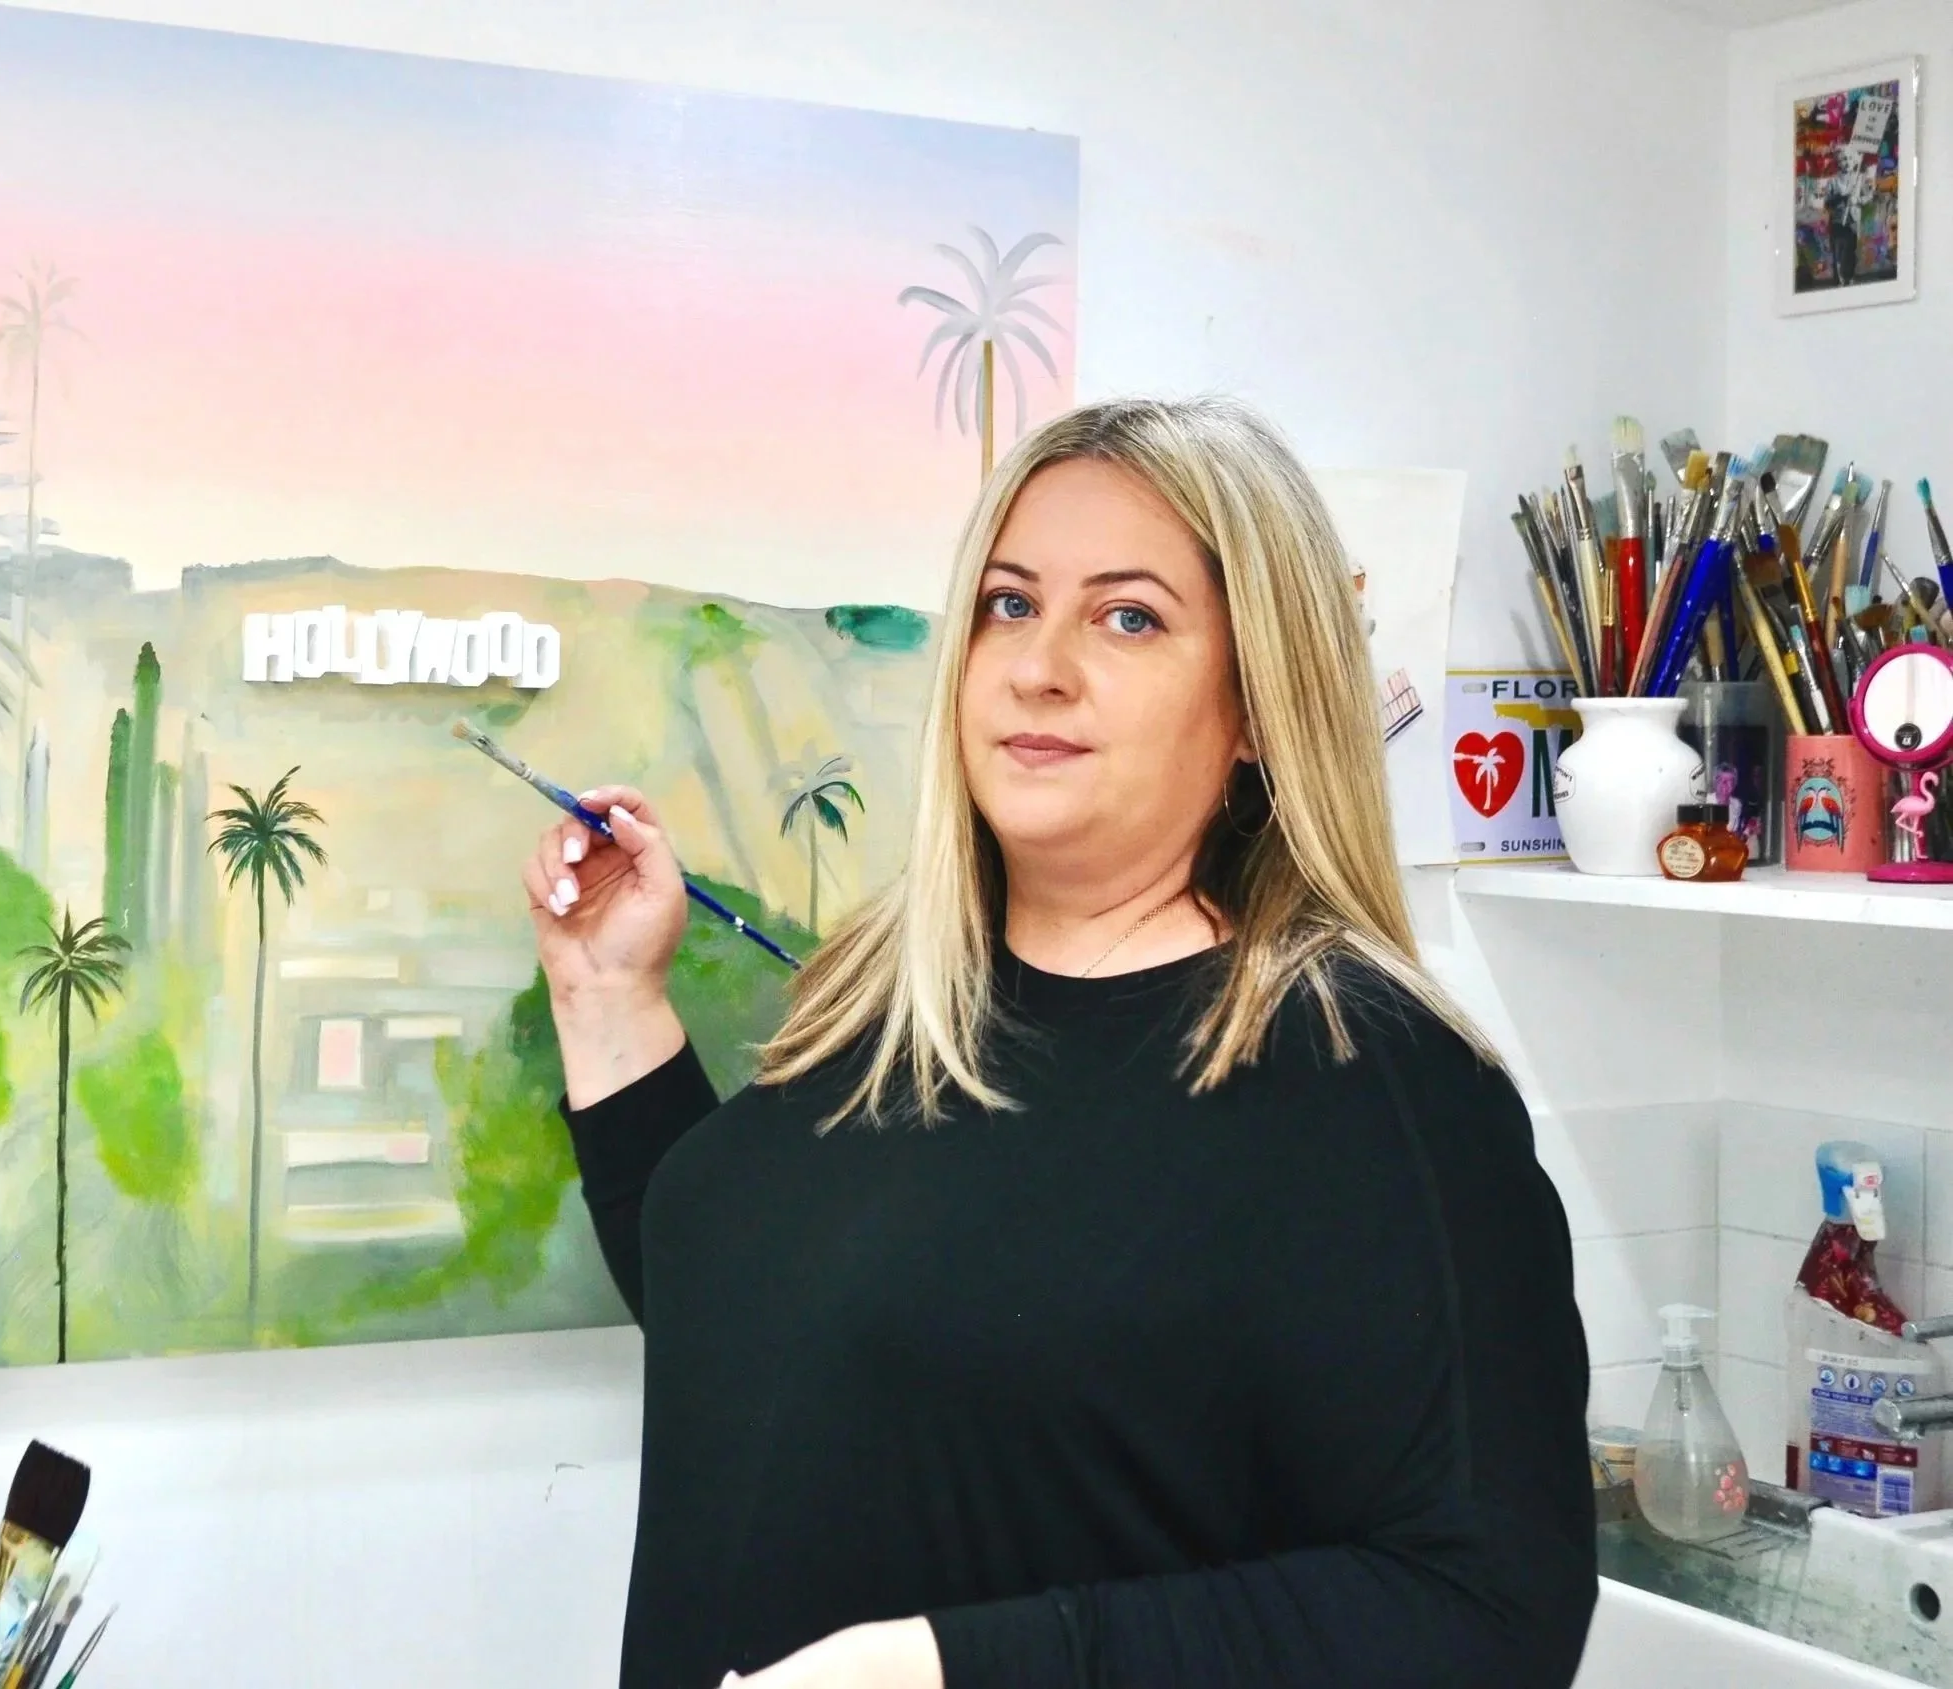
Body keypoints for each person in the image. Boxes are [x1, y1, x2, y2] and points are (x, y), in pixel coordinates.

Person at [521, 397, 1596, 1688]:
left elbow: (1486, 1611)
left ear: (1260, 702)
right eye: (1010, 604)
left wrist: (950, 1671)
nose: (1039, 665)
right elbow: (758, 1332)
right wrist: (607, 1000)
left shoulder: (1373, 1076)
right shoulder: (895, 994)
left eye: (1129, 616)